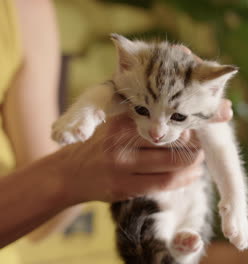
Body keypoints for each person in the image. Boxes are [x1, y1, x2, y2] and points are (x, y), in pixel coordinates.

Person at [0, 0, 232, 262]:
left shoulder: (27, 10)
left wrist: (78, 177)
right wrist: (69, 173)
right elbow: (59, 178)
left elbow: (44, 224)